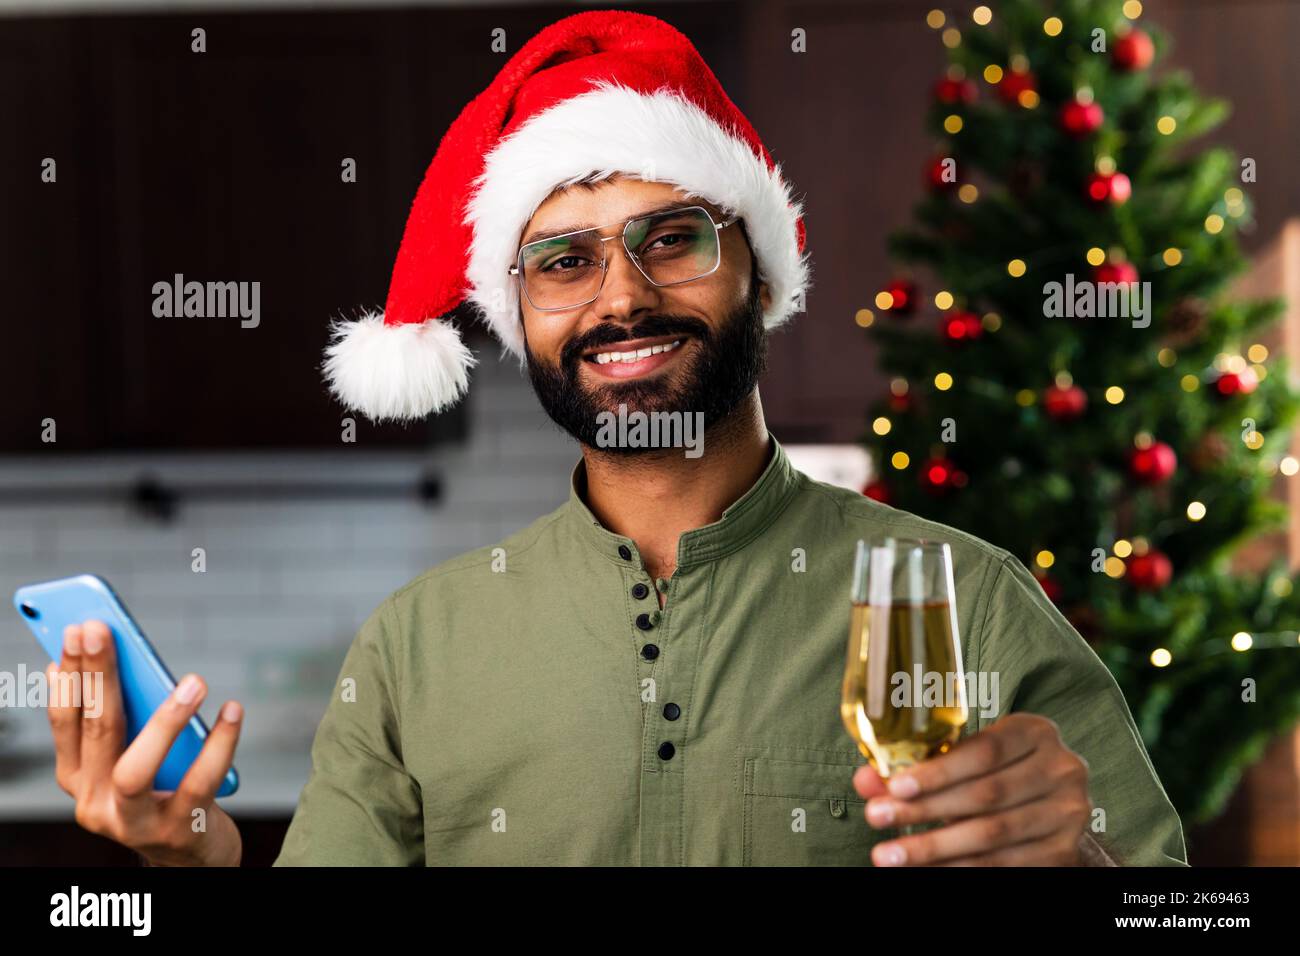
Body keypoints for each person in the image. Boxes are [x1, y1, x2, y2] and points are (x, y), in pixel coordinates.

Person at [48, 10, 1186, 867]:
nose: (622, 297)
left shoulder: (963, 601)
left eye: (671, 237)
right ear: (521, 314)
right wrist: (186, 859)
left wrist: (1076, 861)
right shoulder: (413, 649)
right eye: (564, 258)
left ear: (758, 266)